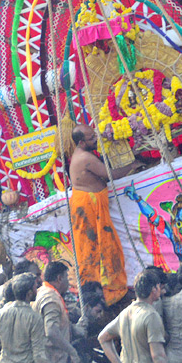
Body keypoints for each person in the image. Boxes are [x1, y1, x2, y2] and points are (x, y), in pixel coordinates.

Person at [69, 124, 131, 305]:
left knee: (104, 246)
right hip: (88, 207)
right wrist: (134, 164)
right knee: (94, 250)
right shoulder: (85, 157)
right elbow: (110, 175)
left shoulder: (84, 154)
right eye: (91, 138)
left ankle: (109, 291)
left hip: (91, 205)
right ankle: (100, 295)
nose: (96, 140)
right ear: (81, 142)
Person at [35, 261, 86, 363]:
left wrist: (75, 329)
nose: (69, 283)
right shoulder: (51, 298)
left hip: (53, 361)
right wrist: (73, 352)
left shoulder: (44, 292)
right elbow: (50, 331)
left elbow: (57, 325)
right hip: (51, 362)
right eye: (67, 278)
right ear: (59, 279)